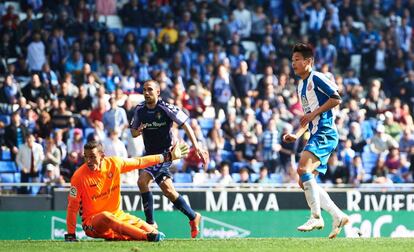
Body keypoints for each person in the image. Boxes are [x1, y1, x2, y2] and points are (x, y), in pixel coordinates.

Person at [283, 43, 348, 239]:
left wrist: (315, 114)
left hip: (325, 132)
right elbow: (307, 116)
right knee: (304, 182)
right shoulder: (301, 85)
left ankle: (316, 216)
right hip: (315, 133)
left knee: (303, 170)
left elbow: (337, 98)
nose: (293, 63)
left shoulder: (317, 78)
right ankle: (338, 216)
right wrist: (296, 133)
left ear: (308, 61)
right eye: (292, 60)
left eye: (297, 60)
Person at [65, 141, 189, 242]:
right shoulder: (78, 176)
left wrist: (167, 156)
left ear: (102, 156)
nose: (88, 161)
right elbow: (72, 207)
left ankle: (136, 235)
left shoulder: (114, 163)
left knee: (154, 231)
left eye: (92, 157)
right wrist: (71, 234)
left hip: (118, 216)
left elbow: (139, 162)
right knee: (106, 216)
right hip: (93, 224)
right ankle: (144, 237)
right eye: (86, 157)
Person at [130, 80, 208, 238]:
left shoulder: (166, 108)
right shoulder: (139, 110)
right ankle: (193, 216)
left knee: (142, 181)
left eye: (150, 90)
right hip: (150, 154)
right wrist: (138, 131)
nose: (146, 93)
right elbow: (133, 132)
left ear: (158, 92)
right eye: (144, 90)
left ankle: (151, 224)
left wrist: (196, 146)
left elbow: (185, 123)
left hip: (166, 154)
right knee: (168, 190)